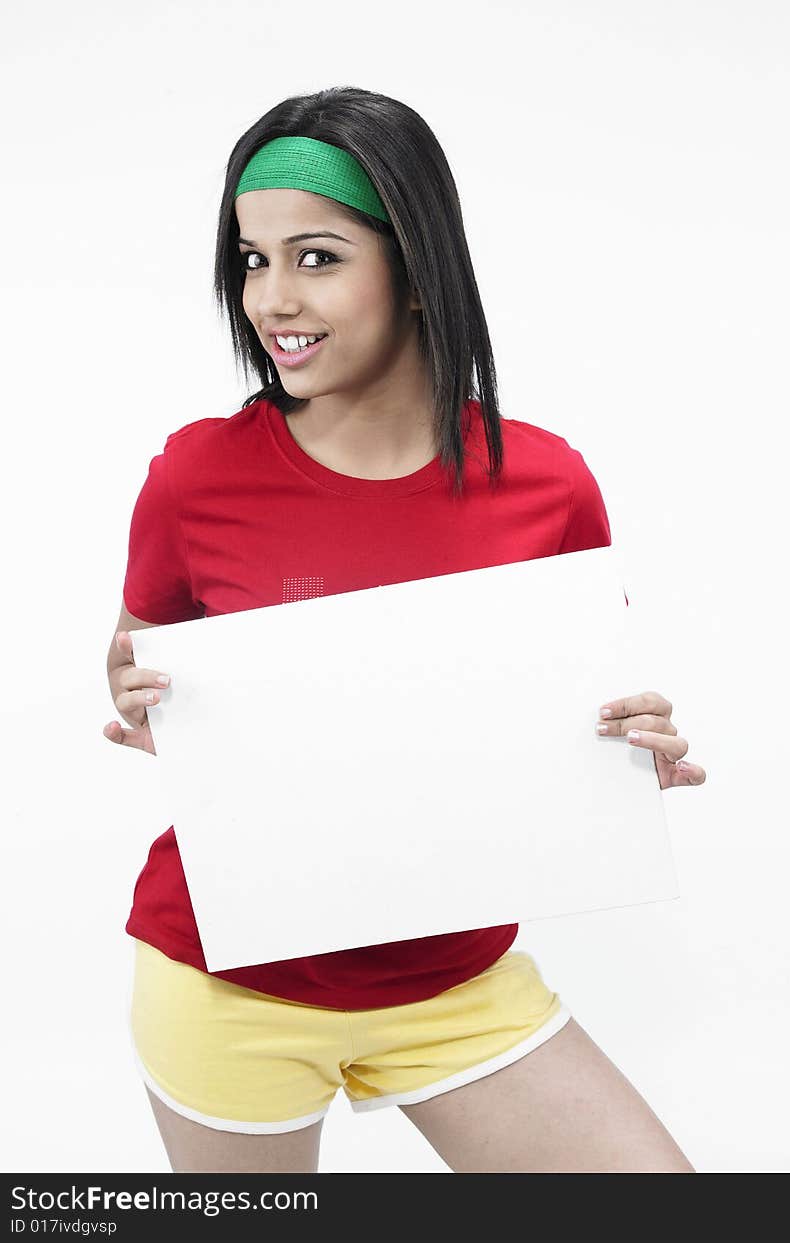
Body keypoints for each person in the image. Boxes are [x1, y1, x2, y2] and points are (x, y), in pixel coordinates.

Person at [103, 86, 706, 1175]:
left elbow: (569, 708)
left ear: (416, 268)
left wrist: (633, 747)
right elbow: (132, 652)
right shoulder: (196, 477)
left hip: (454, 981)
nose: (271, 297)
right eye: (251, 258)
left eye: (317, 256)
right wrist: (146, 700)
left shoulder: (548, 483)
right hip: (228, 987)